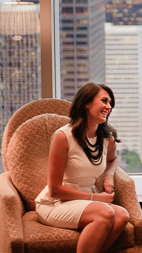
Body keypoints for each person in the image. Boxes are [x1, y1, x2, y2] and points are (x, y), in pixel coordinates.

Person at [35, 82, 130, 253]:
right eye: (104, 101)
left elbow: (111, 161)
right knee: (105, 213)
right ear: (86, 103)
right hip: (56, 203)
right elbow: (55, 190)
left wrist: (108, 177)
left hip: (87, 202)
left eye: (110, 103)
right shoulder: (63, 136)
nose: (108, 107)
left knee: (122, 215)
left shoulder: (106, 139)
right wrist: (95, 198)